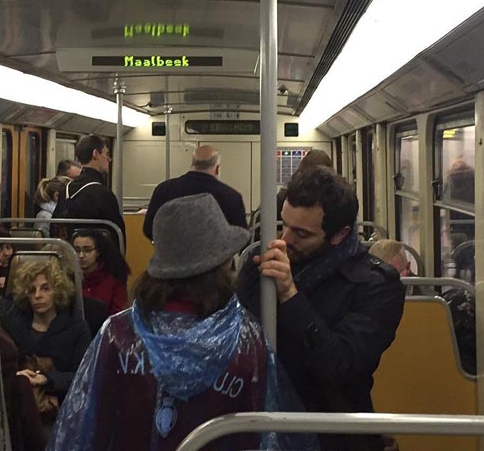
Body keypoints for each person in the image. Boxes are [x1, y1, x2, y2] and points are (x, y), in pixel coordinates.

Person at [48, 194, 318, 451]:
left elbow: (89, 427)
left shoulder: (117, 335)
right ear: (223, 264)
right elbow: (262, 434)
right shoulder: (245, 339)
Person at [238, 166, 405, 451]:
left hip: (330, 431)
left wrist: (290, 295)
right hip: (257, 421)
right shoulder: (261, 262)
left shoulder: (376, 287)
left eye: (301, 233)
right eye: (284, 225)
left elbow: (340, 367)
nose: (286, 239)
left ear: (339, 235)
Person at [0, 258, 91, 422]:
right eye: (31, 290)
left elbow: (84, 376)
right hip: (16, 406)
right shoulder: (12, 323)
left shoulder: (75, 327)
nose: (37, 296)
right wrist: (17, 375)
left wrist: (48, 378)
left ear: (57, 291)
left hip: (62, 409)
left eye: (45, 289)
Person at [143, 145, 247, 241]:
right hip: (216, 260)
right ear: (217, 169)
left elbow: (148, 229)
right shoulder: (231, 197)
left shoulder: (164, 189)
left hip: (172, 259)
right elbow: (241, 238)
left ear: (192, 165)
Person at [51, 135, 125, 249]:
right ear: (95, 153)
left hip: (69, 255)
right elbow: (117, 235)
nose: (109, 159)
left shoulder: (66, 189)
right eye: (106, 154)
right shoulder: (103, 194)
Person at [72, 230, 130, 315]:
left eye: (87, 250)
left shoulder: (114, 277)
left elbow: (119, 315)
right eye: (76, 250)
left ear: (98, 252)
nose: (81, 255)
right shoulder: (67, 277)